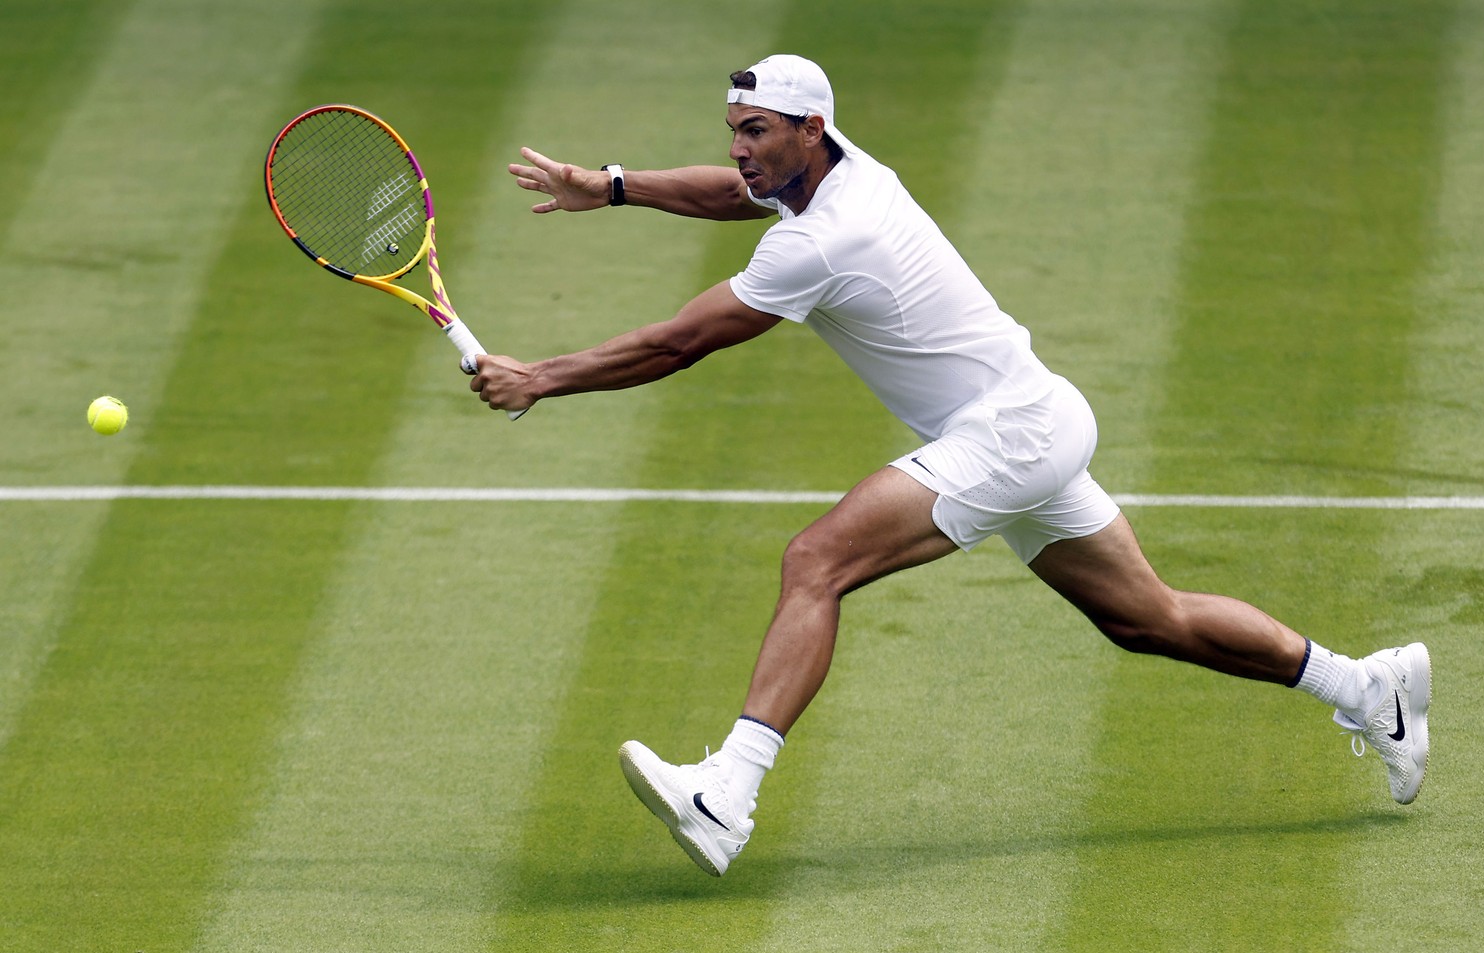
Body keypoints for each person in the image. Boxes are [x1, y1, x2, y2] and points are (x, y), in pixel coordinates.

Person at [471, 54, 1432, 877]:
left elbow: (677, 343)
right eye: (732, 129)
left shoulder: (823, 241)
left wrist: (541, 378)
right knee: (1148, 620)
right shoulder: (840, 170)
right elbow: (736, 193)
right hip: (1036, 417)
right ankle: (1367, 688)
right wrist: (616, 185)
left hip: (1007, 430)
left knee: (817, 561)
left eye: (756, 131)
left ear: (810, 129)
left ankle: (729, 792)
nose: (738, 149)